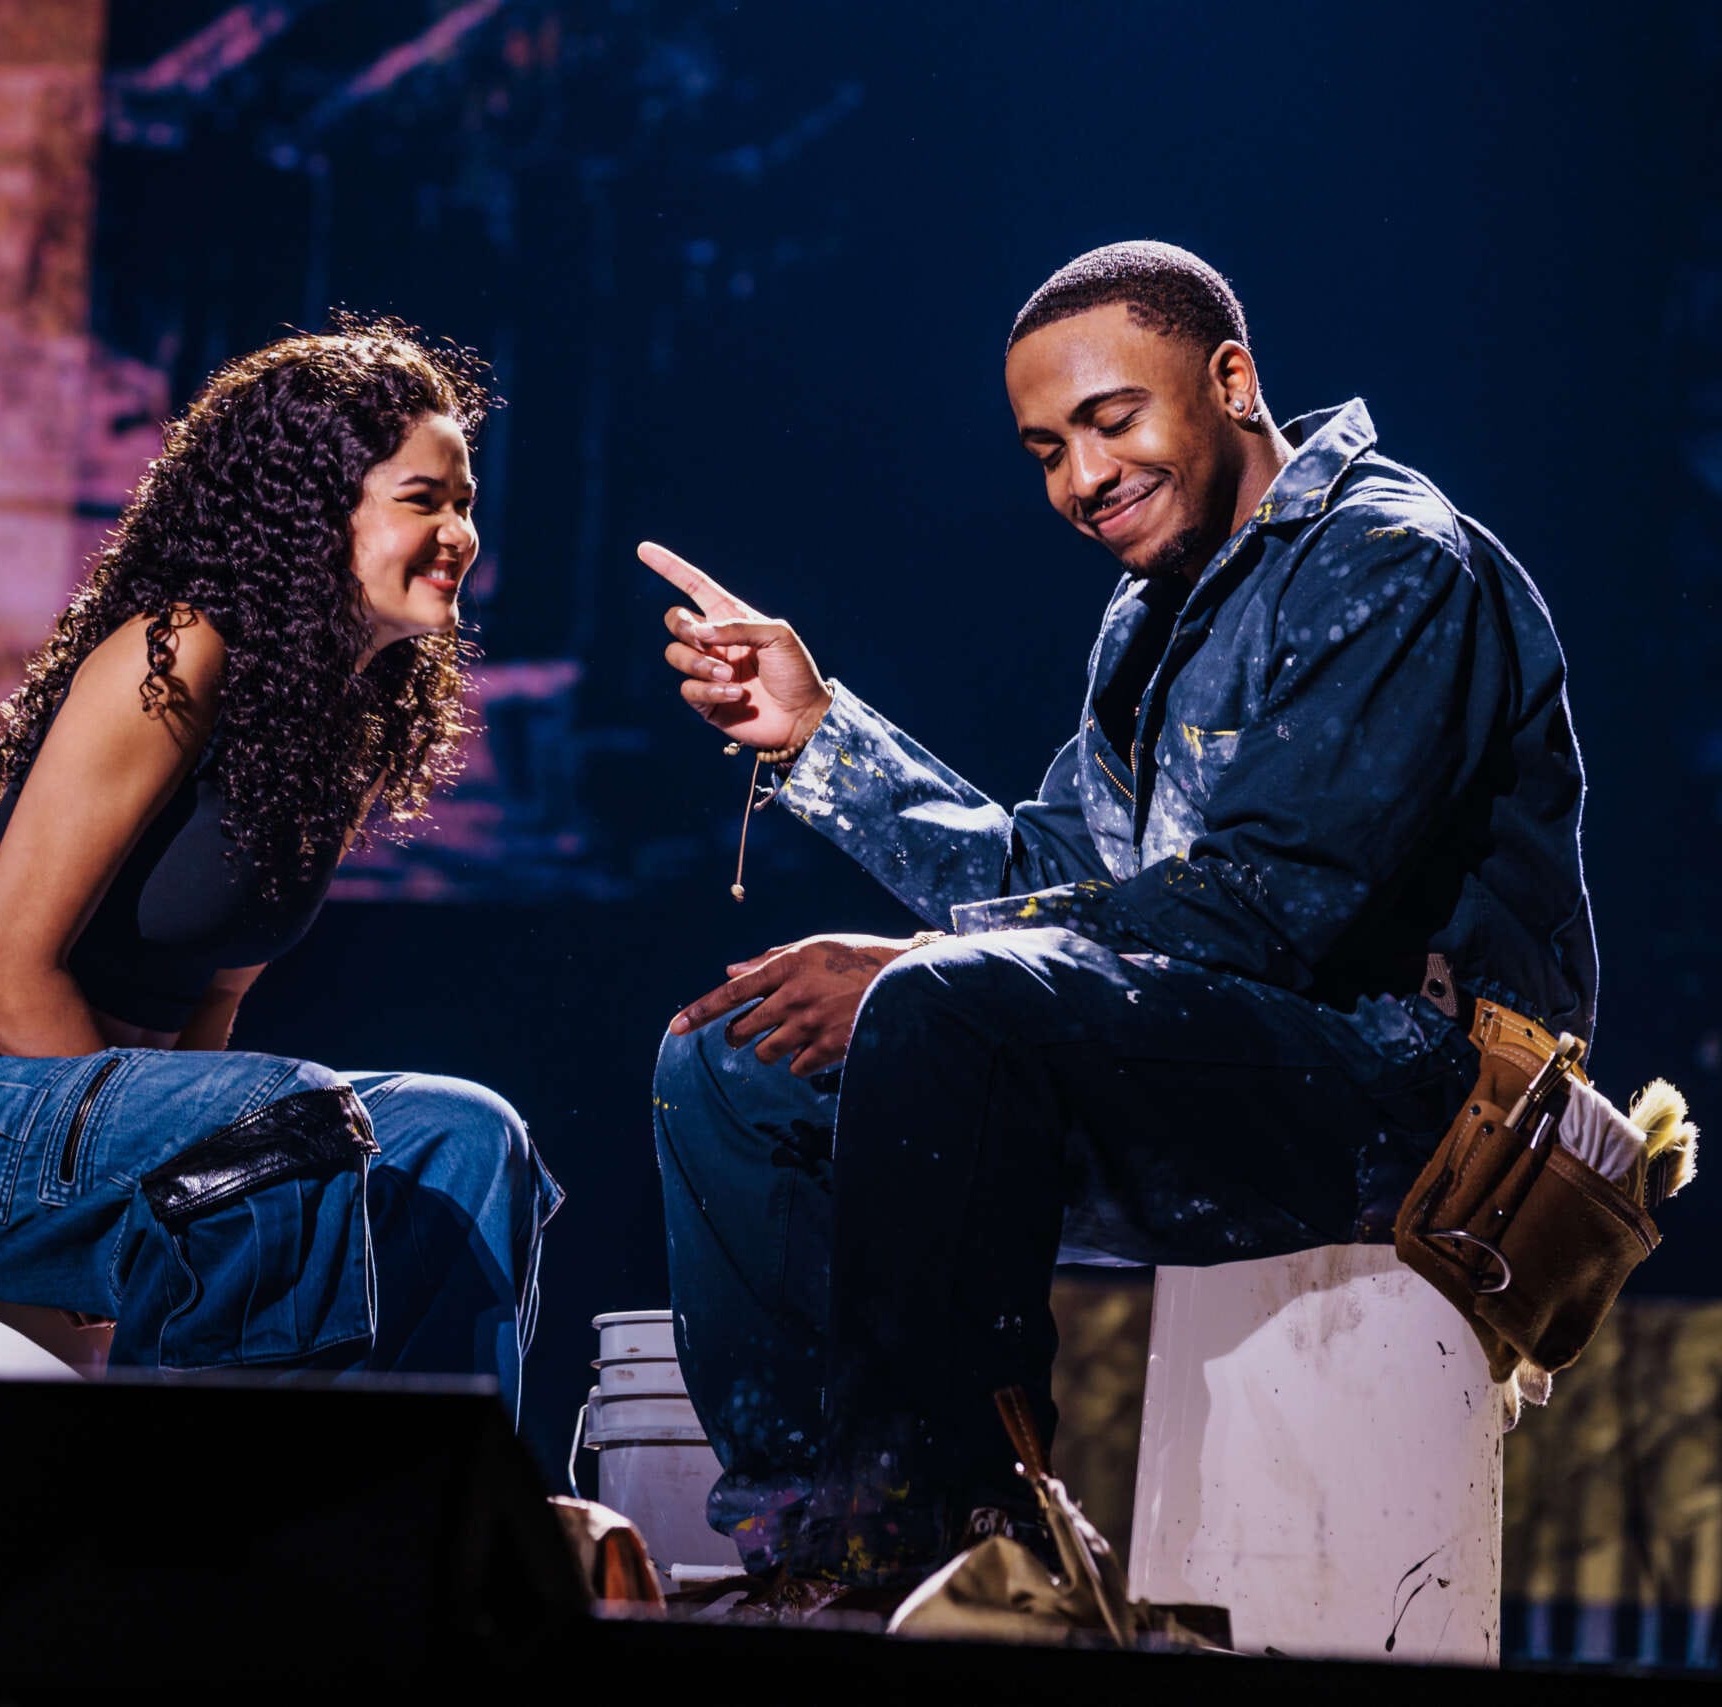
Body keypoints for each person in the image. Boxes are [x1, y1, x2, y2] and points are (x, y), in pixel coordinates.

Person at [644, 240, 1596, 1581]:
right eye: (1045, 449)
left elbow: (1262, 906)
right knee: (734, 1064)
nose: (1081, 479)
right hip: (1208, 1053)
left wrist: (919, 964)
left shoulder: (1395, 562)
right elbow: (1047, 869)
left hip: (1416, 1096)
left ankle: (961, 1534)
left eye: (1110, 420)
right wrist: (820, 736)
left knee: (939, 1005)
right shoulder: (1155, 609)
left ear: (1230, 377)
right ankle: (821, 1534)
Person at [0, 319, 560, 1411]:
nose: (460, 532)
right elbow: (7, 969)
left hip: (68, 1111)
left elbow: (208, 1015)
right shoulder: (181, 649)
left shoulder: (333, 724)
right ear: (315, 509)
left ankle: (439, 1527)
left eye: (465, 500)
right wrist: (173, 1159)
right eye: (424, 499)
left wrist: (179, 1136)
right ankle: (195, 1545)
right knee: (287, 1115)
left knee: (465, 1135)